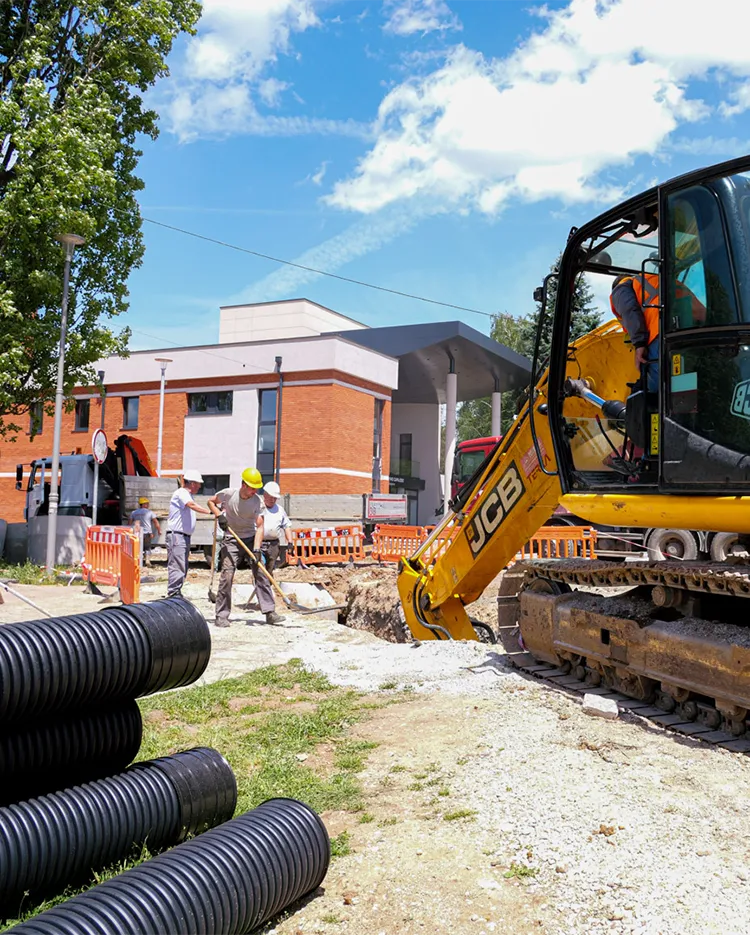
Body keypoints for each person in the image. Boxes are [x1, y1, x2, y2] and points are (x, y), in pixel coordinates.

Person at [207, 467, 284, 628]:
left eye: (256, 489)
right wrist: (219, 515)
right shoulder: (228, 494)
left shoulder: (257, 502)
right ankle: (221, 615)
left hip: (250, 538)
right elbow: (210, 501)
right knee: (227, 576)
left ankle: (270, 613)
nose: (254, 492)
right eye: (252, 488)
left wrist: (256, 549)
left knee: (261, 573)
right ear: (244, 485)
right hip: (231, 539)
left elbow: (260, 526)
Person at [610, 272, 661, 394]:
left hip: (661, 328)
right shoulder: (652, 281)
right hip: (694, 321)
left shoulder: (621, 288)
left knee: (657, 388)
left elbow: (629, 311)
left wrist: (639, 344)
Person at [166, 470, 211, 598]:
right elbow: (191, 505)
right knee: (177, 565)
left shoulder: (188, 494)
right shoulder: (182, 493)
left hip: (183, 536)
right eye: (198, 484)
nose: (199, 486)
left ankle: (176, 592)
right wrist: (210, 512)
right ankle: (173, 594)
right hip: (177, 535)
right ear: (191, 483)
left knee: (182, 565)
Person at [261, 481, 291, 573]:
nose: (272, 500)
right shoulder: (258, 507)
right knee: (260, 567)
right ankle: (259, 585)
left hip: (273, 545)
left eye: (275, 498)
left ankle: (268, 585)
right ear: (265, 495)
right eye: (271, 497)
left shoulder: (280, 510)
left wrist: (289, 541)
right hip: (259, 543)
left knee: (270, 568)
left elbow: (287, 526)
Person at [129, 497, 160, 567]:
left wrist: (130, 531)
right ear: (144, 504)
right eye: (147, 504)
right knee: (147, 547)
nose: (148, 505)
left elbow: (130, 523)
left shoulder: (134, 512)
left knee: (137, 547)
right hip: (147, 533)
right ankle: (147, 561)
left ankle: (137, 561)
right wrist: (159, 530)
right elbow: (155, 522)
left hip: (137, 533)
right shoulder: (150, 512)